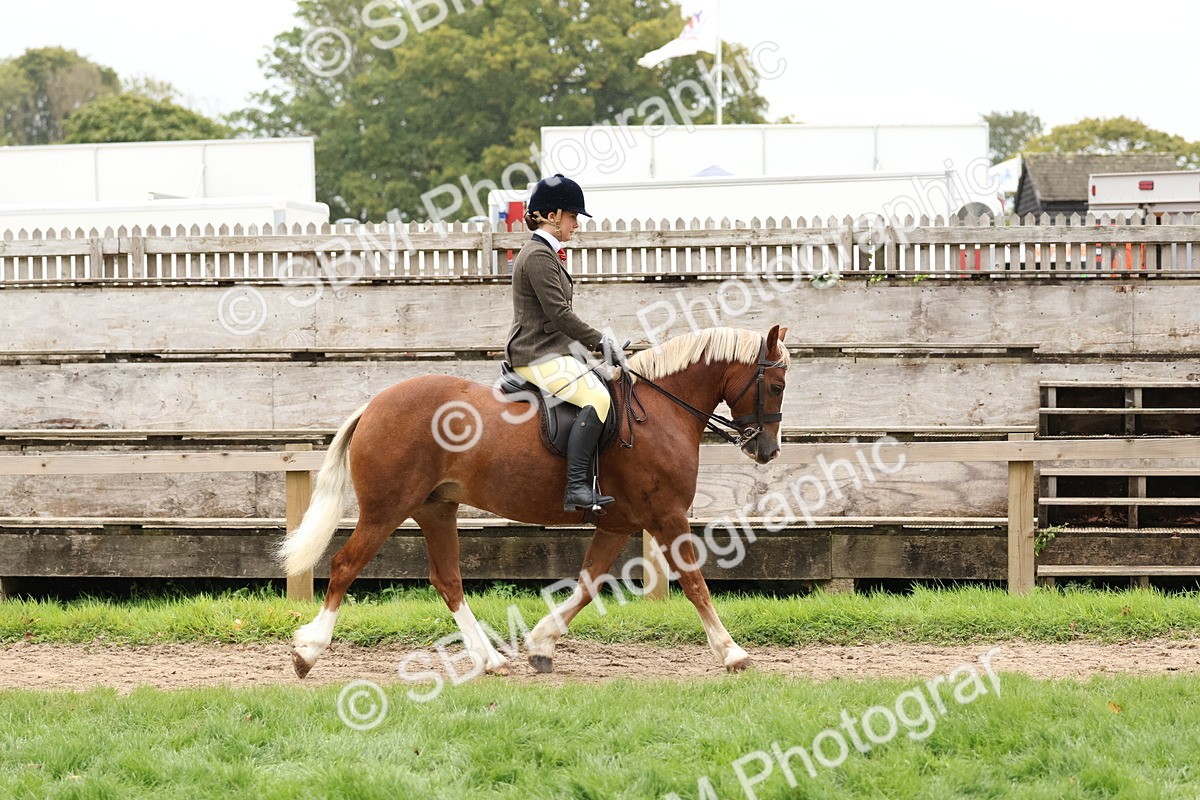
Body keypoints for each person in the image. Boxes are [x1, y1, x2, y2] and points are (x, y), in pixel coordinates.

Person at [505, 174, 619, 512]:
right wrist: (602, 342)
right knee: (597, 398)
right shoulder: (538, 256)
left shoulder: (546, 253)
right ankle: (576, 488)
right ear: (552, 216)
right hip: (535, 353)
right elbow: (560, 315)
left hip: (552, 351)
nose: (576, 225)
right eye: (572, 217)